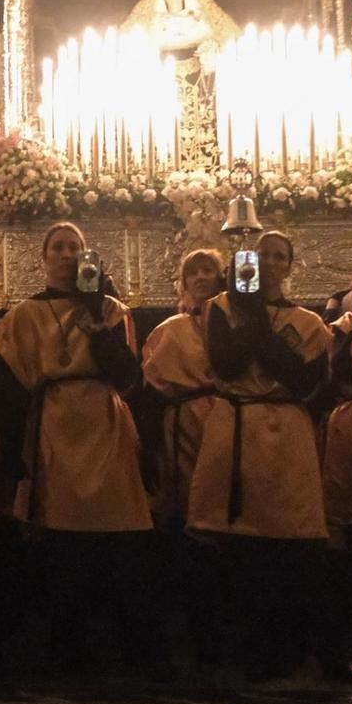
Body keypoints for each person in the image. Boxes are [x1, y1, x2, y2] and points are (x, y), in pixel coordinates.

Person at [0, 222, 159, 674]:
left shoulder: (112, 310)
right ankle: (66, 641)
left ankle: (127, 642)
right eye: (57, 247)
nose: (65, 254)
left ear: (86, 256)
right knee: (62, 544)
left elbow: (128, 378)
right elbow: (3, 386)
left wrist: (97, 321)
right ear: (44, 258)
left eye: (74, 247)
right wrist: (15, 447)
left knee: (119, 537)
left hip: (104, 421)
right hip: (54, 423)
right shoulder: (24, 315)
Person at [194, 229, 352, 683]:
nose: (267, 264)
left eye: (277, 256)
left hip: (287, 430)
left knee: (293, 539)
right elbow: (227, 365)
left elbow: (302, 381)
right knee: (238, 541)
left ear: (290, 266)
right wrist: (251, 317)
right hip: (237, 425)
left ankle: (296, 644)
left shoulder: (308, 322)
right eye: (260, 256)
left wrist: (256, 324)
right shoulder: (219, 309)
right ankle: (241, 645)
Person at [138, 248, 228, 665]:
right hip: (182, 429)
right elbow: (151, 389)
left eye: (209, 269)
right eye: (194, 271)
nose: (202, 277)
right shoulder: (169, 330)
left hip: (224, 424)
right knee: (184, 522)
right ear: (183, 281)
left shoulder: (235, 324)